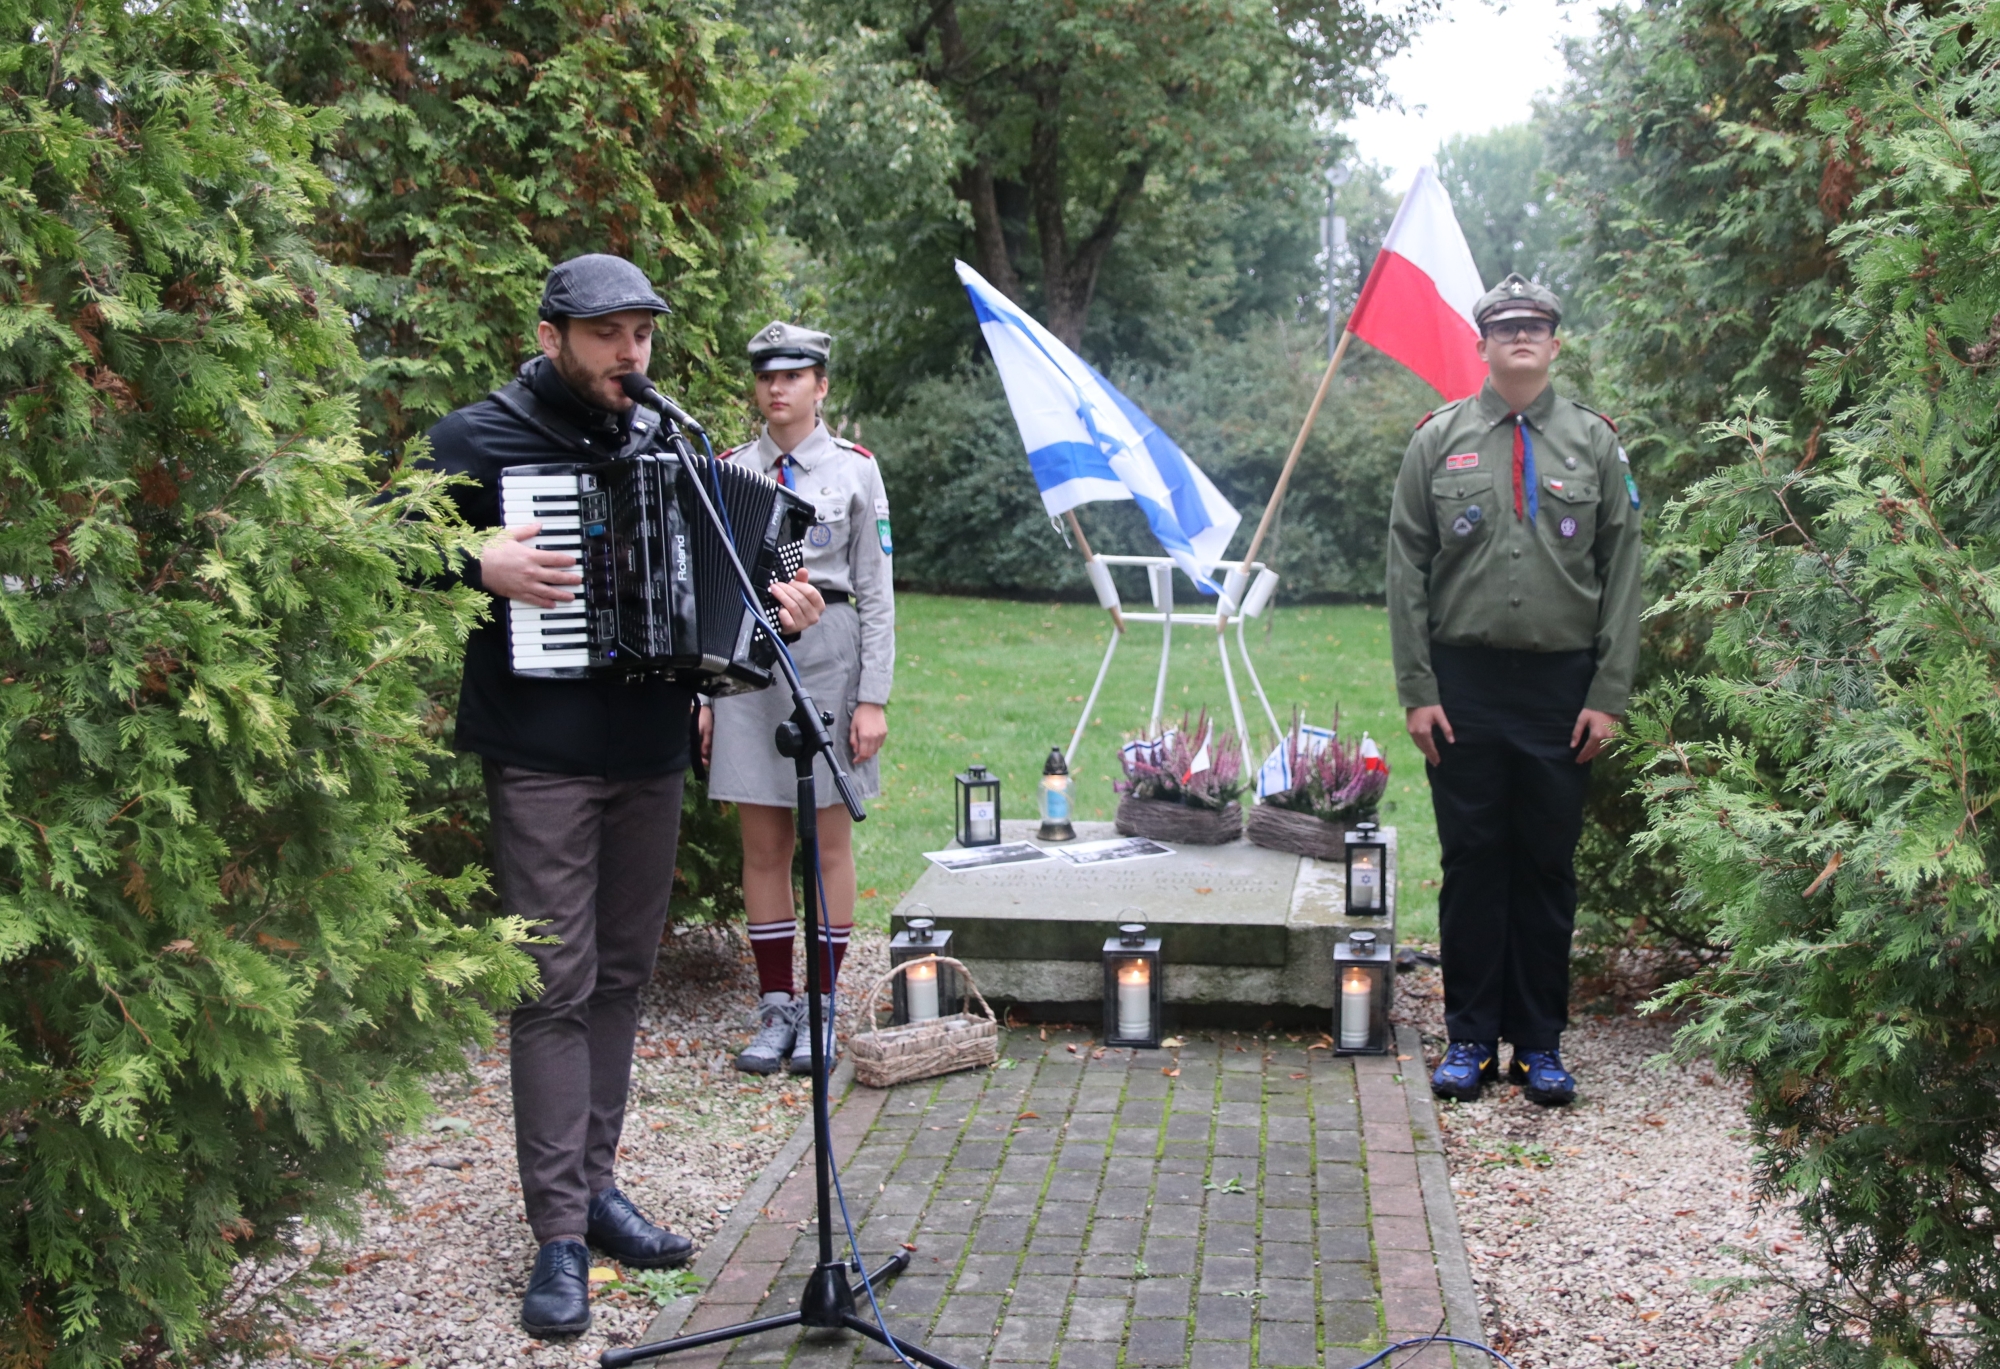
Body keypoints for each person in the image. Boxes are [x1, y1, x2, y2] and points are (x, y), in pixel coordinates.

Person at [426, 256, 824, 1337]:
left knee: (619, 973)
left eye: (641, 335)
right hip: (541, 750)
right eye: (606, 336)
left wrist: (781, 608)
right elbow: (381, 537)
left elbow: (746, 577)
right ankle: (556, 1232)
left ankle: (594, 1186)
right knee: (553, 981)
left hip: (648, 749)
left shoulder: (662, 443)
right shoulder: (480, 437)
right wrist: (477, 562)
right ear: (551, 335)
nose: (629, 355)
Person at [1385, 273, 1642, 1108]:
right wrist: (1418, 687)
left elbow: (1623, 574)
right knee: (1471, 863)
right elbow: (1406, 569)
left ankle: (1537, 1044)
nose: (1523, 337)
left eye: (1537, 326)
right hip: (1463, 686)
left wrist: (1608, 691)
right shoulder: (1439, 439)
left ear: (1556, 343)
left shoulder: (1594, 443)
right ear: (1484, 345)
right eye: (1507, 327)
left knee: (1544, 865)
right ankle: (1467, 1041)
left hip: (1560, 690)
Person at [698, 322, 894, 1077]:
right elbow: (710, 590)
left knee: (828, 840)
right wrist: (706, 695)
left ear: (821, 385)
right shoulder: (728, 470)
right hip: (746, 662)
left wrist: (871, 697)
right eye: (766, 376)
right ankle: (776, 1005)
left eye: (794, 375)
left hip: (827, 657)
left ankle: (823, 1006)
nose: (777, 388)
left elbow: (878, 594)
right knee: (763, 842)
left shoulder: (855, 472)